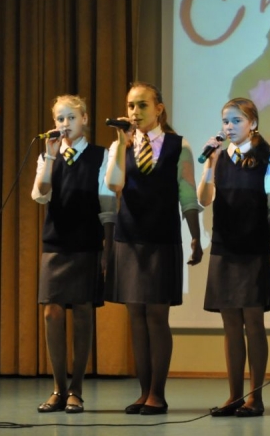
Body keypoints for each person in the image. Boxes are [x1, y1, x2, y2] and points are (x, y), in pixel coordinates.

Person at [105, 82, 203, 415]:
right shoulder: (121, 145)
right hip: (129, 238)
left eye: (142, 105)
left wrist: (195, 235)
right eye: (131, 106)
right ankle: (143, 392)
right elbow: (113, 184)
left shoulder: (178, 145)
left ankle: (157, 394)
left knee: (157, 316)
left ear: (159, 108)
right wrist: (122, 144)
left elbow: (187, 193)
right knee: (136, 317)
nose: (135, 112)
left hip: (162, 238)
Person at [198, 98, 270, 417]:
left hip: (255, 249)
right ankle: (234, 396)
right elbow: (204, 199)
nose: (229, 126)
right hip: (224, 247)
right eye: (226, 121)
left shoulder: (267, 158)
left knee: (253, 322)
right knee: (231, 324)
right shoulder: (218, 158)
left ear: (253, 123)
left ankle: (255, 397)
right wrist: (208, 165)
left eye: (236, 121)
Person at [32, 95, 115, 414]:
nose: (65, 124)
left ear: (85, 119)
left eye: (71, 117)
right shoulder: (47, 155)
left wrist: (107, 247)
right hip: (55, 243)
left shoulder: (100, 155)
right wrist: (51, 158)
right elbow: (41, 194)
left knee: (82, 312)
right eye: (59, 118)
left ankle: (76, 390)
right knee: (51, 312)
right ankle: (58, 388)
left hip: (87, 243)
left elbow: (107, 205)